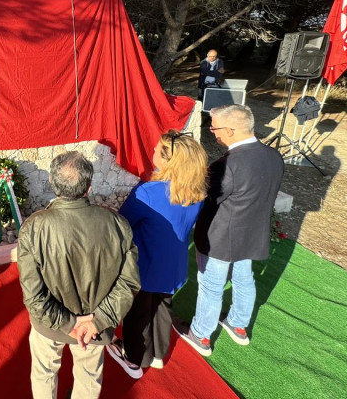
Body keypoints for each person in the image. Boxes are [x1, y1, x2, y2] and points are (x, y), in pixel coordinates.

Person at [17, 151, 140, 399]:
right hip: (93, 326)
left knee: (44, 374)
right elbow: (129, 283)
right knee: (88, 379)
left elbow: (33, 296)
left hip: (52, 325)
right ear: (89, 187)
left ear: (52, 184)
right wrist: (93, 322)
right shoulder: (116, 223)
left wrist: (73, 324)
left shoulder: (34, 228)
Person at [179, 104, 285, 356]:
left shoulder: (227, 165)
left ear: (229, 130)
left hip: (220, 237)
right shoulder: (274, 156)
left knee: (211, 287)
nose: (212, 132)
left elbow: (205, 197)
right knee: (244, 279)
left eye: (214, 127)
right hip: (253, 232)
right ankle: (238, 325)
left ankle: (201, 335)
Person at [104, 131, 209, 379]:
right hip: (174, 266)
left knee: (137, 314)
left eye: (155, 150)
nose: (151, 153)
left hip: (146, 266)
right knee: (163, 309)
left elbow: (123, 222)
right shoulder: (196, 191)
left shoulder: (149, 192)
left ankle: (134, 359)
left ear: (167, 160)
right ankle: (159, 355)